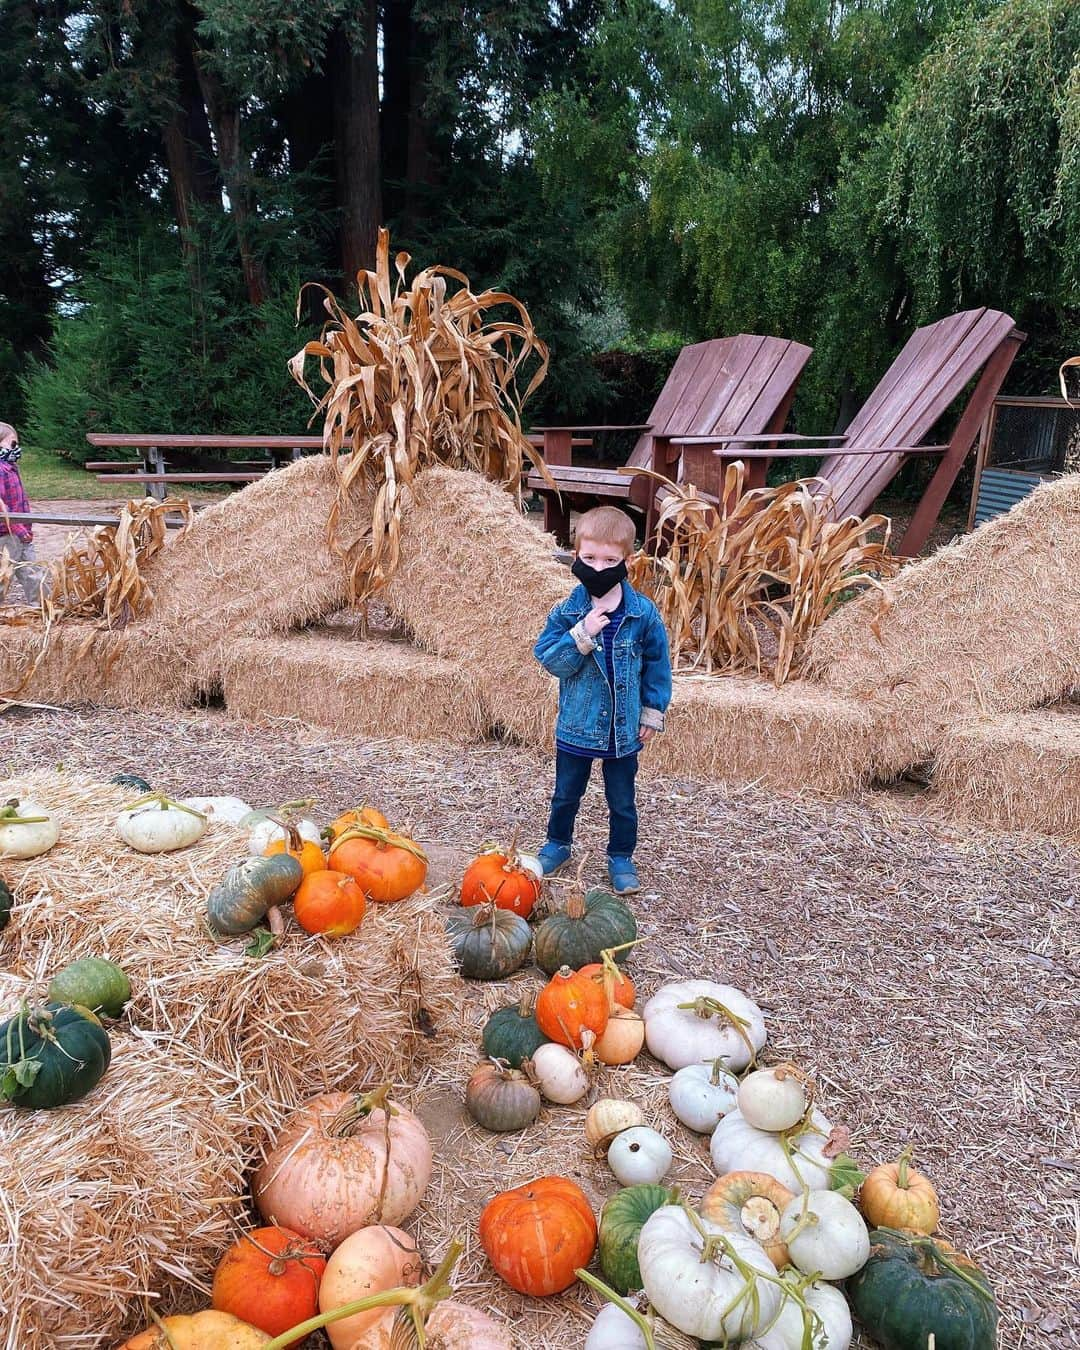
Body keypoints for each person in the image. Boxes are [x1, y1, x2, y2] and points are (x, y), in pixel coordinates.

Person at [533, 505, 672, 895]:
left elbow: (658, 666)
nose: (598, 567)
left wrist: (652, 711)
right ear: (576, 555)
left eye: (610, 560)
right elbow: (549, 660)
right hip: (577, 724)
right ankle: (558, 844)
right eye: (589, 558)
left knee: (622, 800)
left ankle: (620, 856)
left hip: (623, 729)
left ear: (627, 560)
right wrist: (582, 633)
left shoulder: (642, 614)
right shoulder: (568, 612)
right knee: (565, 794)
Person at [0, 421, 44, 606]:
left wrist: (25, 526)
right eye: (12, 444)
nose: (16, 449)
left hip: (21, 530)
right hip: (7, 533)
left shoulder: (10, 468)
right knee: (4, 574)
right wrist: (18, 528)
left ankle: (42, 606)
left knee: (32, 572)